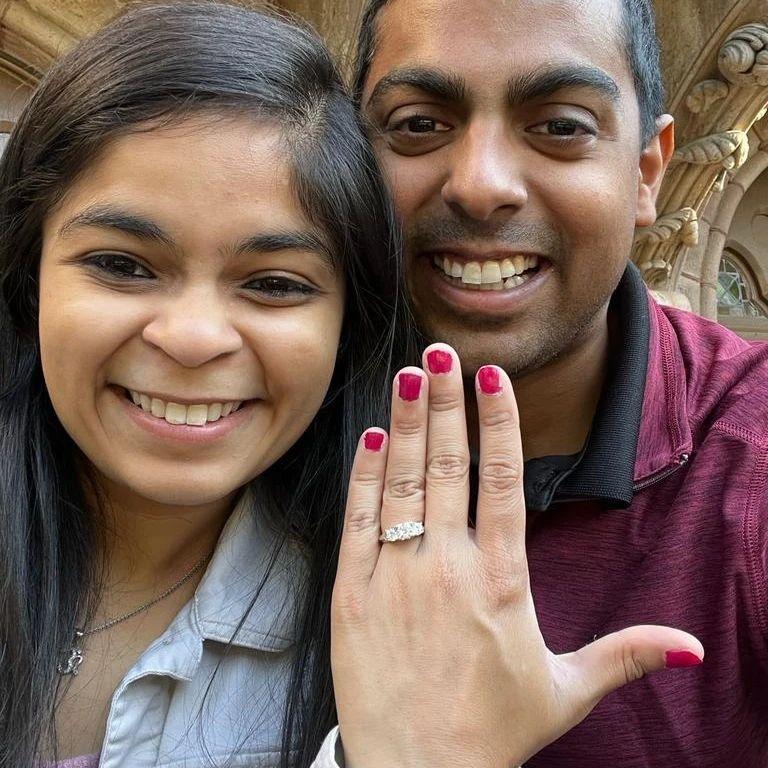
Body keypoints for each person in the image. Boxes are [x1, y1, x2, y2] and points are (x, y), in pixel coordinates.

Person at [0, 2, 703, 768]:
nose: (194, 338)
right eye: (122, 265)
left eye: (274, 283)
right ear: (29, 270)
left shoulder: (390, 629)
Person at [350, 0, 768, 765]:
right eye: (417, 123)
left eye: (562, 125)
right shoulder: (271, 417)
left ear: (646, 171)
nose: (480, 185)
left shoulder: (753, 455)